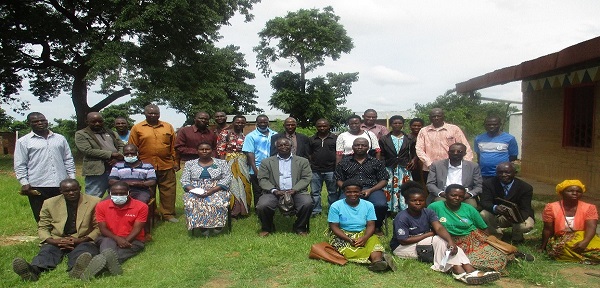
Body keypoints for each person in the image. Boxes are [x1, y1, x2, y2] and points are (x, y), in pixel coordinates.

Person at [391, 181, 500, 285]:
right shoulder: (402, 217)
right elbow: (403, 240)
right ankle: (458, 270)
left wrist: (451, 242)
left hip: (423, 242)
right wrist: (428, 235)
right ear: (406, 202)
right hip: (403, 247)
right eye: (414, 201)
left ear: (425, 201)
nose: (418, 203)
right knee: (439, 240)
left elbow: (439, 227)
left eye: (421, 200)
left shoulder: (428, 212)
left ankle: (467, 268)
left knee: (448, 244)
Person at [11, 179, 101, 281]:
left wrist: (82, 240)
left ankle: (76, 270)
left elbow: (98, 227)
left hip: (82, 239)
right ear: (61, 191)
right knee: (47, 251)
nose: (71, 193)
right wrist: (53, 241)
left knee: (84, 251)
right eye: (67, 191)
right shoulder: (50, 203)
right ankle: (33, 271)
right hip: (58, 238)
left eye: (74, 190)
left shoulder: (94, 202)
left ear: (80, 189)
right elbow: (43, 227)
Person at [428, 184, 517, 271]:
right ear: (446, 195)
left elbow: (483, 227)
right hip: (447, 240)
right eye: (453, 195)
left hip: (471, 240)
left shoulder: (469, 208)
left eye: (461, 196)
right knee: (460, 258)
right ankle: (465, 267)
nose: (457, 198)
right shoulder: (435, 207)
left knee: (498, 257)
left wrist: (488, 241)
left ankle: (515, 255)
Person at [14, 112, 76, 222]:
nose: (40, 123)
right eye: (35, 121)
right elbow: (20, 163)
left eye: (43, 120)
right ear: (29, 123)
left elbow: (68, 159)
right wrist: (24, 182)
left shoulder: (60, 138)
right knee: (41, 214)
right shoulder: (23, 141)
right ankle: (46, 237)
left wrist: (72, 177)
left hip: (60, 183)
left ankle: (62, 236)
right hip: (38, 184)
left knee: (64, 213)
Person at [328, 179, 394, 272]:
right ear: (344, 192)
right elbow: (334, 226)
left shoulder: (369, 205)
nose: (352, 194)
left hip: (363, 232)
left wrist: (365, 237)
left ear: (360, 192)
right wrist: (349, 239)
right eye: (349, 192)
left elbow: (371, 225)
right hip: (342, 234)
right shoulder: (336, 206)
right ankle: (377, 259)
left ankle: (377, 262)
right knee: (348, 249)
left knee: (373, 241)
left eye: (356, 192)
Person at [129, 104, 180, 223]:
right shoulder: (137, 128)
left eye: (156, 113)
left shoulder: (168, 127)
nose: (153, 115)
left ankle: (168, 214)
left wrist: (176, 161)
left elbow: (174, 147)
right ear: (145, 114)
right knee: (148, 191)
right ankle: (153, 214)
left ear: (159, 114)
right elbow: (132, 147)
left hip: (166, 164)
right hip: (145, 166)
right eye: (150, 113)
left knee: (168, 191)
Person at [89, 181, 148, 280]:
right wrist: (117, 239)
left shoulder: (141, 207)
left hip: (133, 240)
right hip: (109, 237)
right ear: (110, 193)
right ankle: (105, 264)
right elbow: (103, 228)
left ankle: (92, 267)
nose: (118, 196)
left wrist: (126, 241)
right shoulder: (101, 206)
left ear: (129, 193)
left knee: (115, 255)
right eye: (115, 193)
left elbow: (137, 229)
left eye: (122, 193)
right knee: (108, 246)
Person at [256, 138, 313, 236]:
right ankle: (267, 227)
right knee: (263, 205)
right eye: (280, 145)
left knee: (307, 203)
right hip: (274, 192)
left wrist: (295, 189)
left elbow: (306, 177)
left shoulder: (302, 161)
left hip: (296, 191)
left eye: (286, 145)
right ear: (276, 148)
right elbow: (262, 179)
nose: (283, 147)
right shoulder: (267, 162)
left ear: (291, 147)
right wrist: (274, 190)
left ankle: (300, 227)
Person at [335, 138, 389, 235]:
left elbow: (384, 180)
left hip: (372, 189)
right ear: (352, 147)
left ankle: (377, 226)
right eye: (357, 145)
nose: (360, 147)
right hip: (350, 190)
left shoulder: (376, 162)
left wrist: (371, 190)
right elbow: (338, 179)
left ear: (368, 147)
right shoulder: (344, 162)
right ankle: (348, 227)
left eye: (363, 145)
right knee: (341, 205)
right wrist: (348, 190)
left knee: (380, 204)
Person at [540, 180, 600, 263]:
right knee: (561, 249)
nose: (575, 193)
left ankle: (579, 257)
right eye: (570, 191)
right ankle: (584, 258)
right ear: (561, 193)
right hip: (562, 237)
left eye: (578, 191)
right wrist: (543, 247)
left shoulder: (589, 208)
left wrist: (585, 242)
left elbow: (592, 227)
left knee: (596, 248)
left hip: (583, 236)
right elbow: (547, 229)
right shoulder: (551, 207)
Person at [181, 142, 232, 236]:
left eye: (207, 149)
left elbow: (227, 177)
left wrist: (212, 190)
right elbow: (184, 180)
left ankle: (217, 225)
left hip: (217, 188)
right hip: (195, 189)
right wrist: (195, 190)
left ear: (212, 151)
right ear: (197, 151)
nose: (204, 151)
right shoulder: (190, 164)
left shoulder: (221, 163)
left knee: (217, 202)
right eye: (201, 149)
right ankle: (202, 227)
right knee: (192, 202)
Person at [479, 162, 534, 243]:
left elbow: (526, 208)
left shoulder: (525, 187)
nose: (503, 175)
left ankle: (517, 237)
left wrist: (514, 216)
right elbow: (484, 201)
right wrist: (495, 208)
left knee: (527, 225)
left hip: (518, 215)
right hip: (497, 215)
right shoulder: (488, 184)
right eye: (500, 172)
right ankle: (496, 236)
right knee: (483, 214)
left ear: (515, 173)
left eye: (507, 172)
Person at [75, 112, 125, 198]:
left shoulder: (111, 132)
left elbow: (122, 146)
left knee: (117, 196)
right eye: (94, 122)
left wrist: (118, 157)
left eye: (100, 121)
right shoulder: (81, 134)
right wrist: (111, 154)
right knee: (93, 198)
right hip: (96, 171)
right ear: (87, 122)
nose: (97, 124)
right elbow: (87, 150)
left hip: (115, 168)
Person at [416, 108, 473, 182]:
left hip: (452, 168)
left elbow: (465, 147)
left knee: (451, 191)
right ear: (430, 118)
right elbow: (419, 149)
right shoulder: (424, 131)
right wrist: (430, 164)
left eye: (438, 116)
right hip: (430, 169)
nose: (436, 118)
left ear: (443, 116)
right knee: (432, 191)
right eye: (433, 116)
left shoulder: (454, 129)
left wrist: (466, 164)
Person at [379, 115, 417, 212]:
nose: (397, 125)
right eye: (395, 123)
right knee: (389, 188)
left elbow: (414, 152)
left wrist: (413, 160)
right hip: (389, 166)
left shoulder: (409, 138)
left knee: (404, 187)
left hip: (404, 167)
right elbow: (382, 154)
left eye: (400, 123)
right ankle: (390, 209)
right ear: (391, 125)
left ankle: (404, 208)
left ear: (403, 125)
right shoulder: (384, 139)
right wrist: (383, 166)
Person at [426, 143, 482, 208]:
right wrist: (442, 193)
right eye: (452, 151)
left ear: (464, 154)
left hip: (465, 196)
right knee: (440, 206)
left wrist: (468, 194)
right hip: (443, 195)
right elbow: (430, 184)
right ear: (448, 152)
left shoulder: (473, 166)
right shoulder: (436, 165)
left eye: (459, 151)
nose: (455, 153)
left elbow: (478, 186)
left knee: (471, 206)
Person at [217, 115, 251, 217]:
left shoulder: (245, 136)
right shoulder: (225, 133)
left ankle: (244, 209)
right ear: (233, 122)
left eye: (242, 122)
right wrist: (223, 166)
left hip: (242, 162)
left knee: (244, 184)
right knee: (232, 185)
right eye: (237, 122)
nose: (239, 124)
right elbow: (220, 150)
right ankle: (233, 211)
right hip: (229, 162)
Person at [242, 114, 276, 207]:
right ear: (257, 123)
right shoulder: (251, 136)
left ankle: (271, 209)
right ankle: (259, 211)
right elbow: (250, 154)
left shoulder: (275, 134)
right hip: (257, 168)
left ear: (268, 122)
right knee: (258, 191)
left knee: (272, 189)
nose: (263, 124)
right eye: (260, 122)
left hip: (273, 168)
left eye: (265, 122)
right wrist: (255, 170)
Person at [308, 118, 338, 216]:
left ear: (328, 126)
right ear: (316, 127)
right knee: (315, 192)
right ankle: (316, 211)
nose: (322, 128)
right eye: (319, 126)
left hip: (331, 170)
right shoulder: (312, 139)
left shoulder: (335, 138)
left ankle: (332, 211)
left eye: (324, 126)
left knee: (332, 192)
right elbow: (309, 154)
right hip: (315, 170)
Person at [407, 118, 425, 184]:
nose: (416, 127)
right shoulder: (407, 137)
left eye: (419, 126)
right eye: (414, 125)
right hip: (411, 163)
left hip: (423, 162)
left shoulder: (425, 137)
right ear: (410, 126)